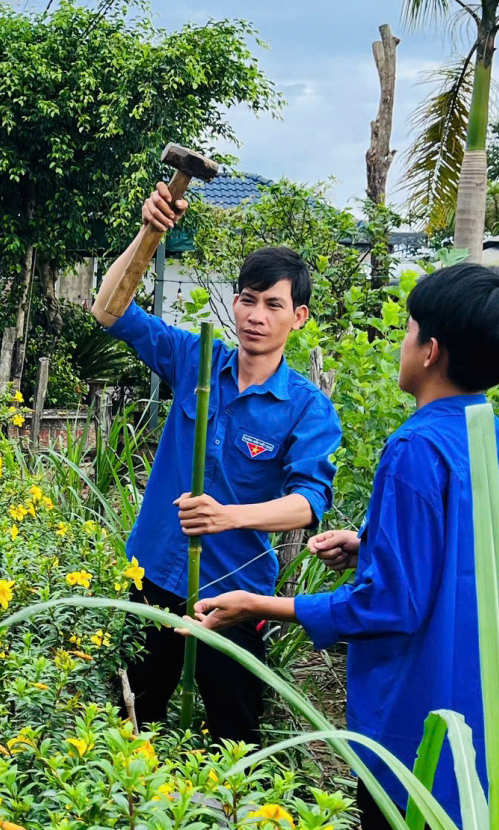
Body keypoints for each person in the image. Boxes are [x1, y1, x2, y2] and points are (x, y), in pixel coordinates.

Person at [191, 263, 499, 830]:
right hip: (489, 718)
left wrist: (261, 605)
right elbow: (477, 562)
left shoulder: (415, 448)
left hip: (418, 724)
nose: (402, 344)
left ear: (430, 351)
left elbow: (388, 606)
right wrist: (372, 546)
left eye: (408, 331)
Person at [94, 186, 342, 741]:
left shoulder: (306, 407)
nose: (257, 316)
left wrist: (228, 516)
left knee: (235, 732)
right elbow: (109, 309)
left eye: (273, 305)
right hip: (153, 574)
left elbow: (308, 504)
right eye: (247, 299)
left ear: (298, 317)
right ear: (234, 303)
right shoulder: (194, 359)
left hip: (234, 593)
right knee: (134, 723)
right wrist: (149, 232)